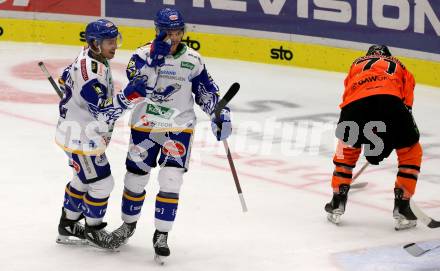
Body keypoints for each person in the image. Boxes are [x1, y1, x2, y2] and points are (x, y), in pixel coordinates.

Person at [110, 7, 232, 259]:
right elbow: (137, 86)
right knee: (135, 178)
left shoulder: (193, 60)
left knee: (171, 179)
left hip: (178, 127)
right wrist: (154, 63)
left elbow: (206, 92)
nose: (174, 37)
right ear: (158, 31)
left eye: (178, 32)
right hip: (145, 125)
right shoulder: (141, 55)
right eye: (169, 32)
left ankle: (162, 233)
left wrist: (218, 113)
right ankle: (128, 225)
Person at [55, 19, 162, 249]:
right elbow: (103, 112)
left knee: (83, 179)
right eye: (109, 42)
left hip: (75, 132)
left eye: (116, 40)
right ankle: (93, 229)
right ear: (94, 43)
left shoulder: (91, 56)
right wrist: (128, 97)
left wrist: (71, 90)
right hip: (80, 137)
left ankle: (68, 224)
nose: (114, 46)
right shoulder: (91, 72)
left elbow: (64, 77)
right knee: (102, 183)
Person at [324, 45, 422, 230]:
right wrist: (386, 141)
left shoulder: (356, 64)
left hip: (353, 105)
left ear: (368, 56)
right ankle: (402, 205)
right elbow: (406, 105)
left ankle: (338, 199)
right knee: (410, 150)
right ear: (388, 56)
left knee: (347, 146)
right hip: (390, 101)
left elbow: (349, 95)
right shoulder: (400, 66)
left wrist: (370, 141)